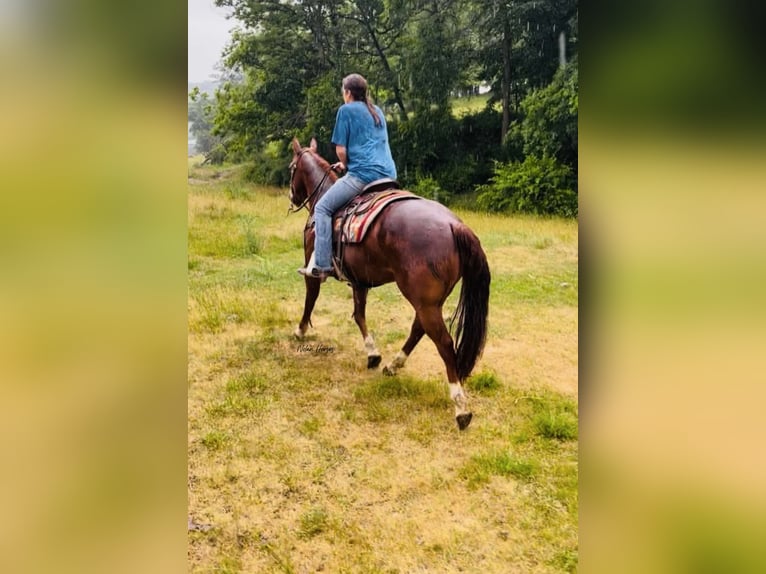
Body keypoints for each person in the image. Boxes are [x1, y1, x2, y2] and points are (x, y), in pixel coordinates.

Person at [298, 73, 397, 282]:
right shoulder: (377, 111)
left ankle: (322, 264)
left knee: (322, 208)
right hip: (389, 175)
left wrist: (345, 162)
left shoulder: (345, 110)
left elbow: (341, 150)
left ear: (348, 93)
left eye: (343, 92)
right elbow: (371, 145)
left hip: (363, 176)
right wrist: (346, 163)